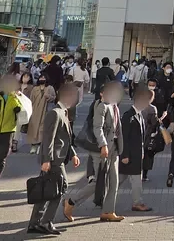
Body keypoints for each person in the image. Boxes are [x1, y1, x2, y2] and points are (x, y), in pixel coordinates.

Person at [27, 82, 81, 236]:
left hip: (57, 158)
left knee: (46, 190)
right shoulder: (55, 113)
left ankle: (35, 223)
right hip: (53, 159)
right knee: (61, 187)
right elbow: (48, 139)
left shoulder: (63, 112)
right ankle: (46, 222)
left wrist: (73, 153)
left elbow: (65, 138)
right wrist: (46, 160)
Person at [93, 81, 125, 221]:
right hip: (105, 148)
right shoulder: (102, 106)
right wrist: (103, 144)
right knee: (99, 181)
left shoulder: (114, 107)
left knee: (114, 181)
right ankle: (72, 201)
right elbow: (97, 127)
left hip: (115, 148)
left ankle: (108, 211)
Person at [118, 86, 153, 214]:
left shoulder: (139, 115)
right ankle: (137, 203)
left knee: (121, 179)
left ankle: (105, 197)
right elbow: (124, 136)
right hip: (130, 155)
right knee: (134, 179)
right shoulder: (129, 116)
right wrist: (125, 154)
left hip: (136, 154)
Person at [27, 75, 56, 153]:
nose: (42, 79)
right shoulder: (35, 89)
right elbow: (31, 99)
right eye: (41, 78)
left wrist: (48, 97)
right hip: (35, 111)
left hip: (45, 110)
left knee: (42, 128)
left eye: (44, 77)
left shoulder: (50, 88)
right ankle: (33, 145)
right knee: (33, 128)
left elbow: (54, 97)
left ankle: (40, 145)